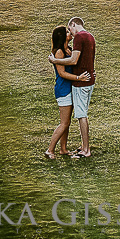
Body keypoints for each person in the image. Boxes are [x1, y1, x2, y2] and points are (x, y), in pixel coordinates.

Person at [44, 26, 91, 159]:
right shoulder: (59, 52)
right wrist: (78, 78)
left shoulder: (68, 49)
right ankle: (49, 150)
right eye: (66, 32)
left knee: (67, 122)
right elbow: (62, 73)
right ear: (61, 37)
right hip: (63, 89)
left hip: (69, 88)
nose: (69, 33)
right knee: (64, 123)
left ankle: (63, 149)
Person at [67, 17, 98, 157]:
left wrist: (54, 60)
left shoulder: (79, 37)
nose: (70, 33)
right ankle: (84, 146)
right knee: (82, 113)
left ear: (74, 24)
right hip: (89, 80)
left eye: (70, 29)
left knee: (81, 115)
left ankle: (86, 150)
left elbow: (74, 60)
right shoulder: (90, 36)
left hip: (81, 82)